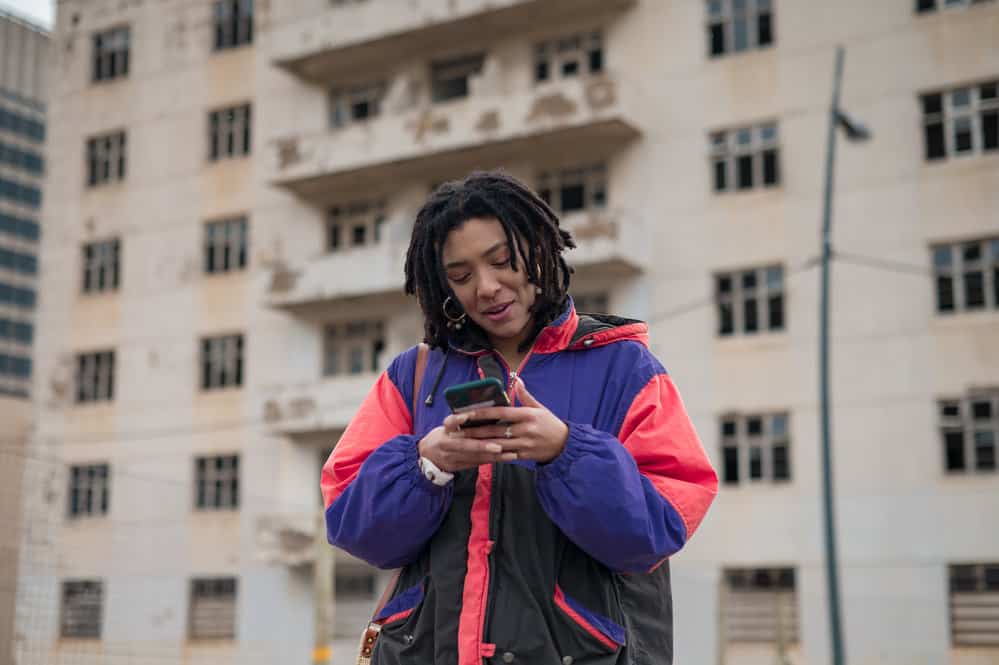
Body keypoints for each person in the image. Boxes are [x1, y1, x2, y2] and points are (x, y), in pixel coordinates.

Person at [320, 171, 718, 665]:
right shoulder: (413, 375)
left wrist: (566, 453)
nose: (486, 288)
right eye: (461, 276)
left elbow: (657, 530)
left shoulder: (626, 367)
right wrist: (426, 464)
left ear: (540, 249)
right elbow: (351, 526)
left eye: (502, 261)